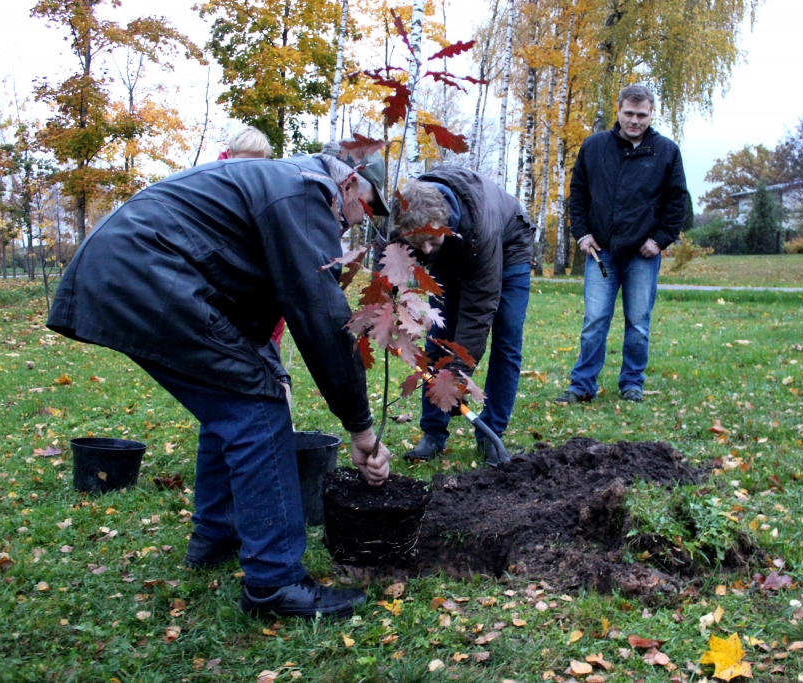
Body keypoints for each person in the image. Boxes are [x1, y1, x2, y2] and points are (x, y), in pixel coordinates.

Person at [47, 148, 392, 620]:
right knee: (257, 408)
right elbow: (322, 316)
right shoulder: (305, 193)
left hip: (136, 269)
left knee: (233, 395)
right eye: (368, 206)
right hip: (146, 273)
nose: (361, 221)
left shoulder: (288, 183)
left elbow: (251, 289)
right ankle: (275, 583)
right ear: (350, 183)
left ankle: (216, 534)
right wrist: (362, 429)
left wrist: (270, 366)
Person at [391, 167, 534, 466]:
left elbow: (479, 308)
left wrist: (457, 373)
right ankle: (433, 433)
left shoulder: (481, 228)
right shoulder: (408, 216)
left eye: (431, 240)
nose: (426, 251)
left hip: (507, 248)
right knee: (438, 337)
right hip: (455, 254)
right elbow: (393, 261)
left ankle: (490, 433)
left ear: (443, 221)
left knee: (506, 339)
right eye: (420, 244)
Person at [555, 84, 688, 405]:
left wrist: (660, 240)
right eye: (629, 113)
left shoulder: (666, 152)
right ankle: (582, 385)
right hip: (601, 253)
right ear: (618, 110)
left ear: (651, 114)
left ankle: (632, 384)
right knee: (594, 321)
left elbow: (677, 202)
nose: (634, 120)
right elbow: (579, 194)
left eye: (642, 115)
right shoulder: (594, 147)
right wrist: (582, 234)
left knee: (638, 323)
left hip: (643, 255)